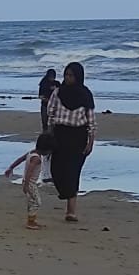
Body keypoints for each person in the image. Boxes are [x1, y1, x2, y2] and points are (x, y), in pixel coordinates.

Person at [47, 62, 96, 222]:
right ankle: (65, 192)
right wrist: (50, 131)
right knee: (56, 169)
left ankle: (71, 211)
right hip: (60, 134)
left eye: (71, 75)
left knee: (73, 172)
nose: (68, 78)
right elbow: (51, 112)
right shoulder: (58, 92)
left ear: (78, 76)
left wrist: (90, 142)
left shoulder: (85, 94)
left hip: (78, 137)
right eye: (66, 75)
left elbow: (91, 121)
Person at [5, 132, 55, 230]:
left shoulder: (31, 153)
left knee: (31, 201)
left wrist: (11, 167)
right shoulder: (36, 159)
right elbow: (29, 171)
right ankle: (30, 222)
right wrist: (26, 185)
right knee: (37, 202)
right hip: (30, 183)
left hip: (28, 182)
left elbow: (21, 159)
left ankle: (32, 219)